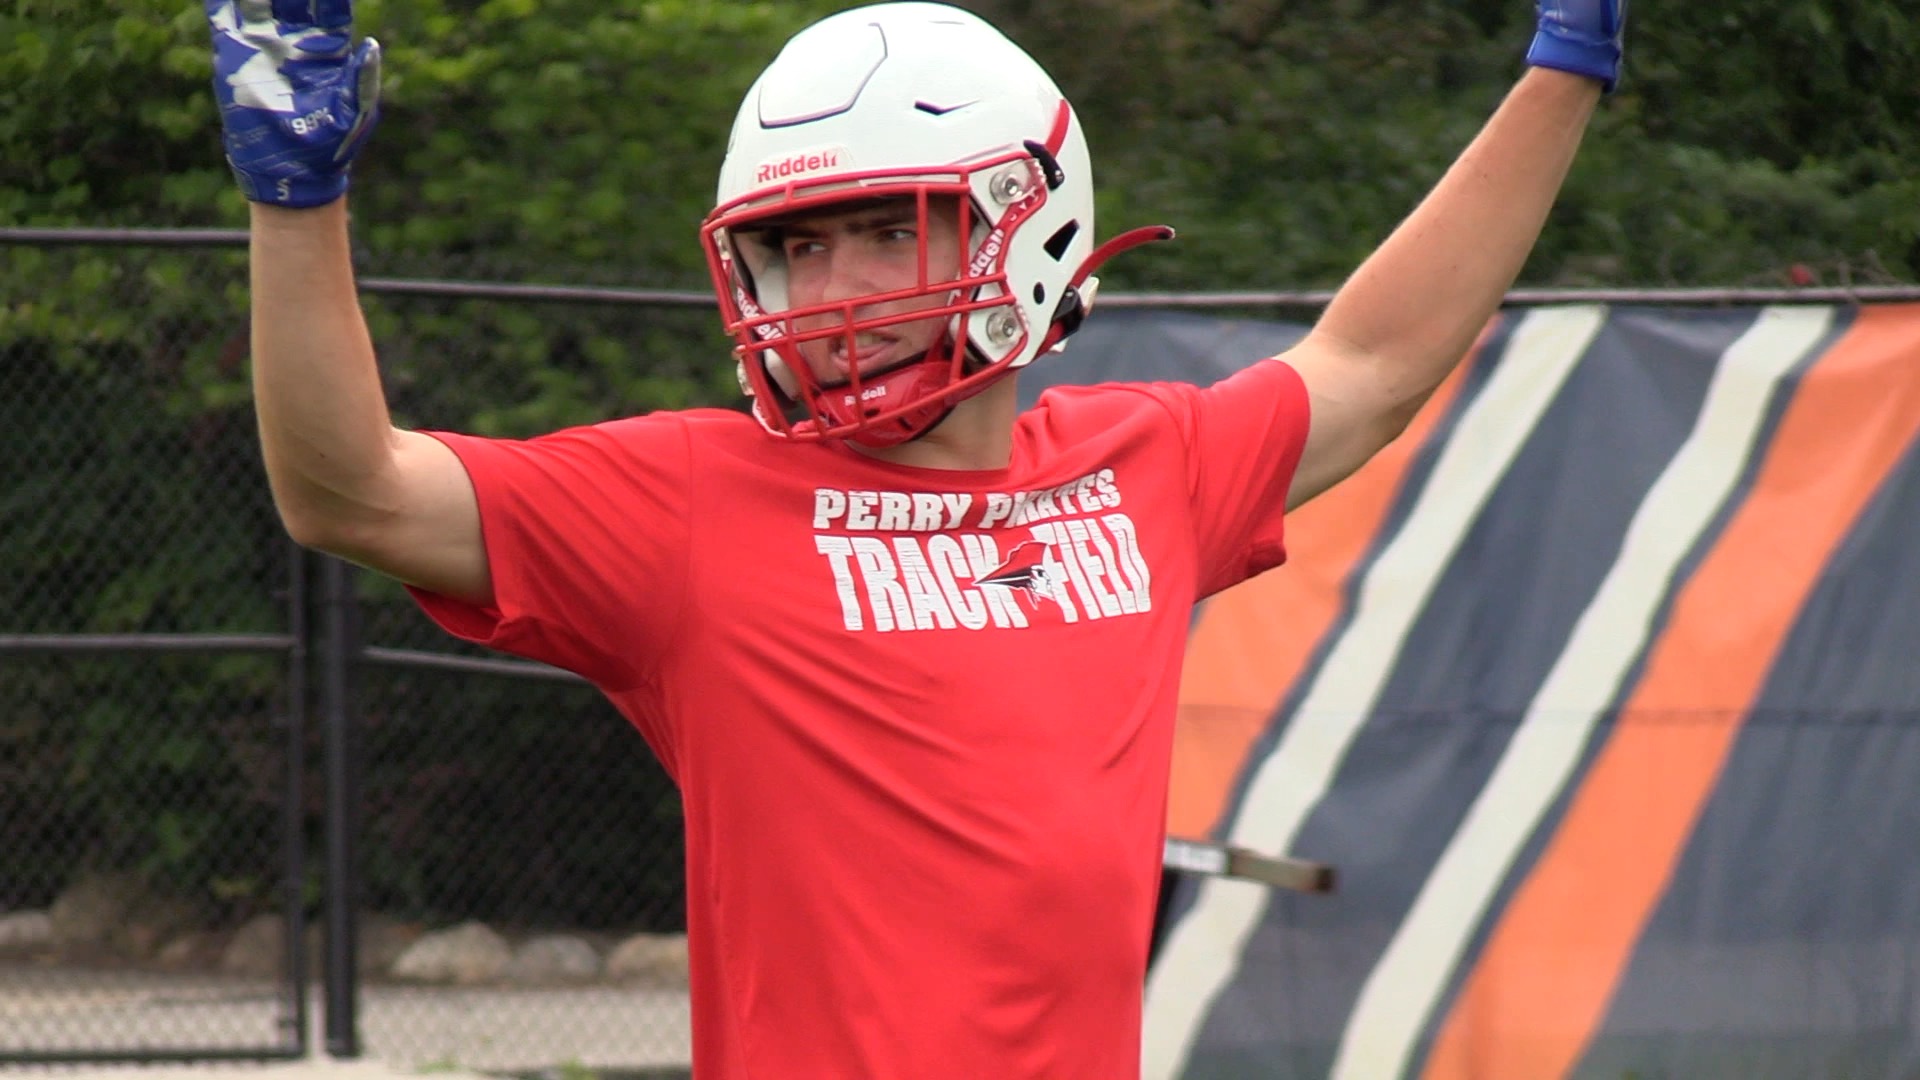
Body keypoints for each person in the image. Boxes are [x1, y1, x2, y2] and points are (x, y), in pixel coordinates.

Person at [208, 0, 1624, 1075]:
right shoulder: (690, 503)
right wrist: (297, 197)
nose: (832, 286)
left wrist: (1563, 67)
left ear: (1029, 222)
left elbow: (1375, 361)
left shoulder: (1144, 465)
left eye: (887, 230)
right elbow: (354, 493)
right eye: (798, 246)